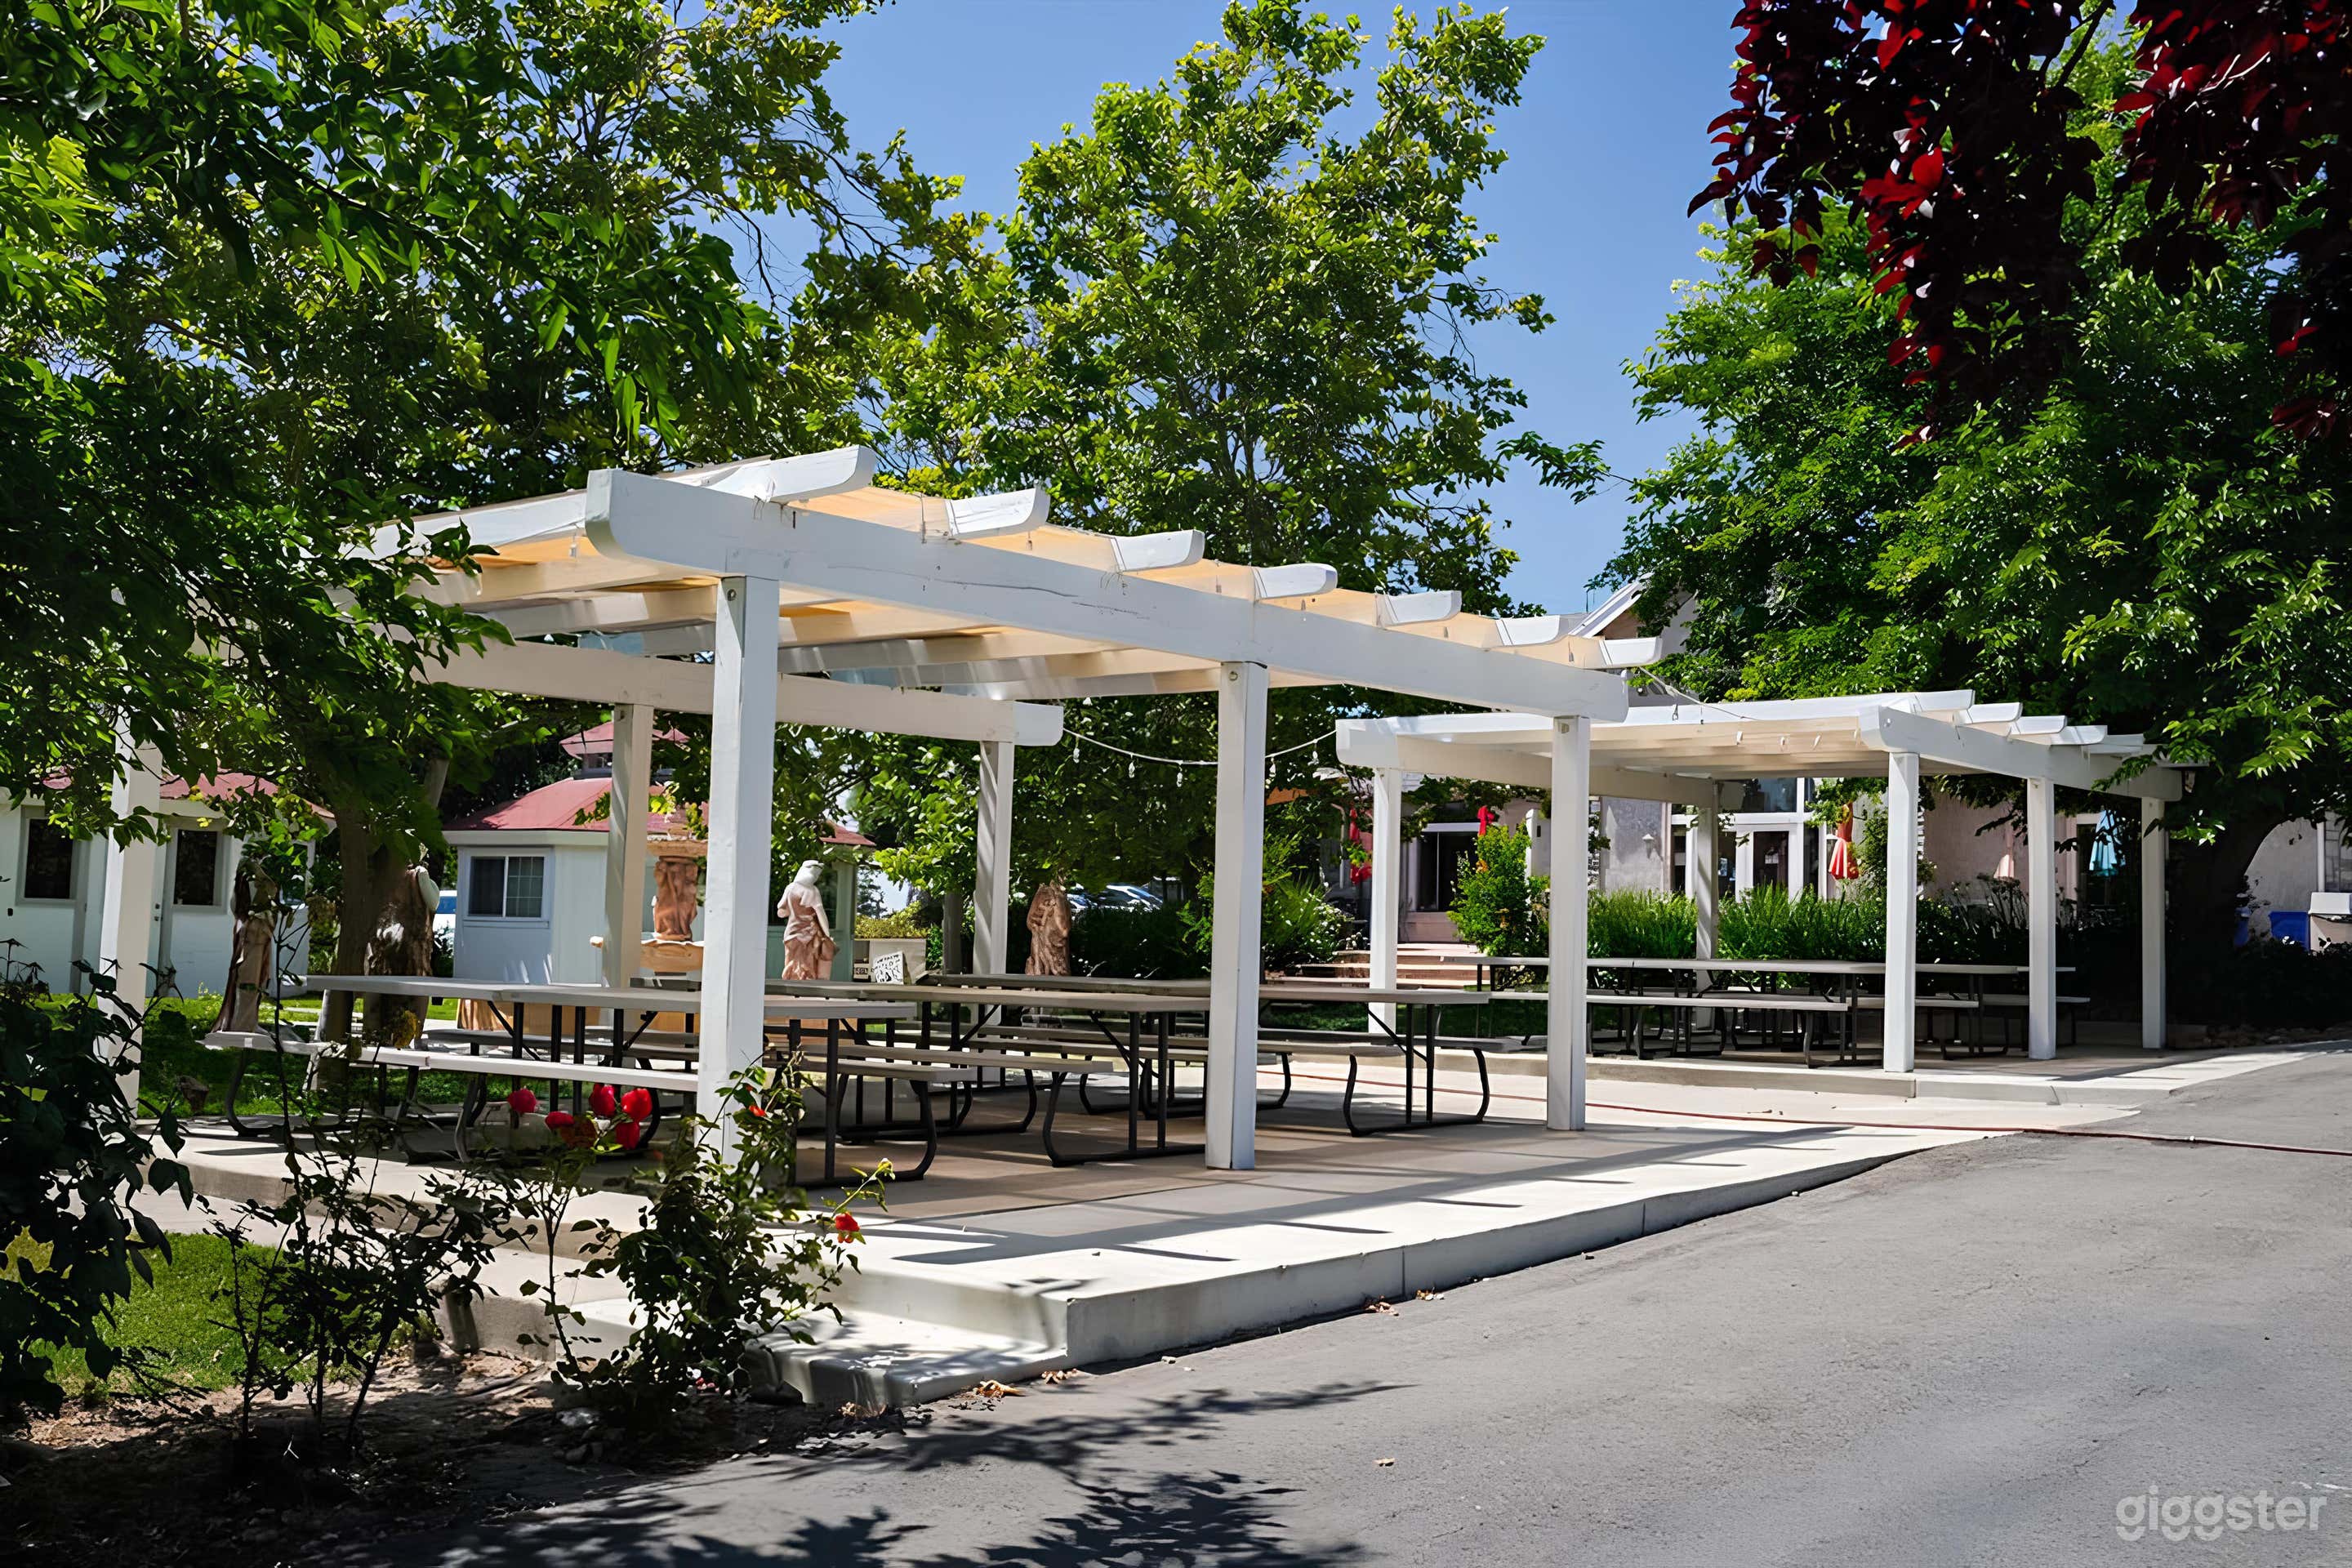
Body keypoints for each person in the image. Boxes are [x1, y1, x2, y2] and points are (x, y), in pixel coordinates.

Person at [775, 859, 835, 980]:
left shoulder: (790, 888)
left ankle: (789, 985)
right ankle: (806, 989)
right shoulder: (812, 891)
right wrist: (827, 933)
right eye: (816, 874)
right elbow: (821, 913)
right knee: (808, 965)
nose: (816, 878)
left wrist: (795, 908)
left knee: (791, 961)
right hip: (809, 935)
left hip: (791, 934)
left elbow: (781, 912)